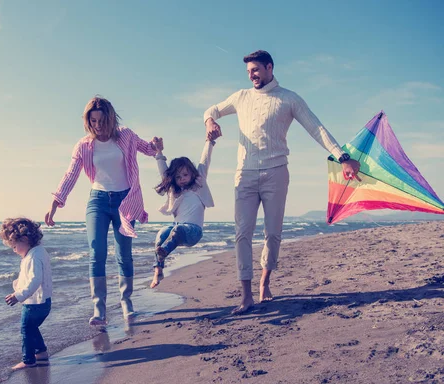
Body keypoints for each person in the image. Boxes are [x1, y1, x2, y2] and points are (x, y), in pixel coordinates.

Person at [203, 50, 361, 315]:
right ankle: (246, 295)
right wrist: (210, 121)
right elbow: (213, 110)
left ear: (269, 67)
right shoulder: (241, 97)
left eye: (255, 70)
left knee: (273, 233)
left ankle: (265, 281)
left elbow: (316, 128)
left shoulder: (288, 98)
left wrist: (342, 157)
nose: (251, 75)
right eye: (248, 72)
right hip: (244, 174)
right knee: (242, 233)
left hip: (276, 173)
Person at [45, 96, 161, 326]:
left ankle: (127, 303)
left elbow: (147, 149)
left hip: (125, 201)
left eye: (101, 120)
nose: (97, 125)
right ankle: (99, 310)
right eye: (93, 121)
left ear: (110, 118)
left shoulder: (125, 135)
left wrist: (156, 145)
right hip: (97, 201)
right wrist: (56, 201)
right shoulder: (84, 145)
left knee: (123, 254)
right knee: (96, 252)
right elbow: (71, 174)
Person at [149, 131, 220, 288]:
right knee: (161, 234)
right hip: (177, 230)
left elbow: (205, 160)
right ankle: (158, 270)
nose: (182, 179)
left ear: (192, 173)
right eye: (178, 177)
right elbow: (163, 171)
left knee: (178, 229)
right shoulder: (174, 190)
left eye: (185, 175)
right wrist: (159, 152)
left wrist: (210, 142)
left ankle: (165, 251)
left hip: (193, 232)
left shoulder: (199, 183)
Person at [0, 217, 53, 371]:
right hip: (44, 301)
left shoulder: (33, 257)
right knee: (32, 328)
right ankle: (41, 352)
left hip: (34, 303)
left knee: (26, 329)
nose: (14, 250)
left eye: (15, 246)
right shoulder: (38, 251)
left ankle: (28, 360)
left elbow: (35, 280)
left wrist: (19, 295)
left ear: (24, 239)